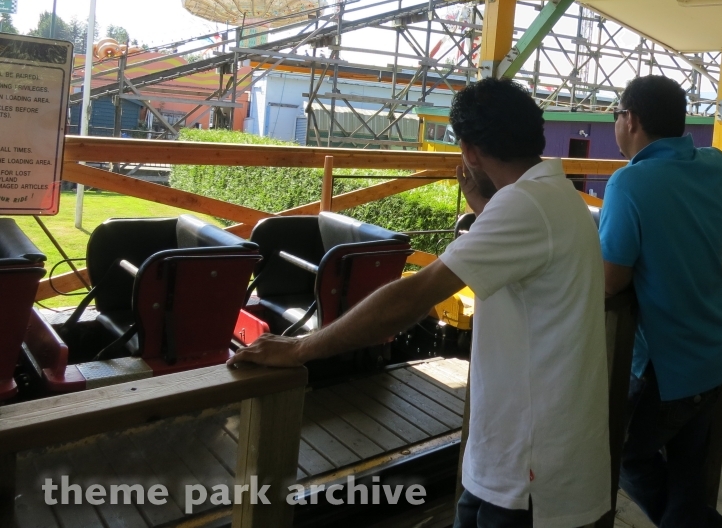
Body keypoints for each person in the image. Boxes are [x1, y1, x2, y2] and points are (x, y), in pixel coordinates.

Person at [230, 78, 611, 528]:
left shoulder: (525, 206)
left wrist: (298, 348)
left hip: (529, 475)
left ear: (469, 151)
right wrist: (484, 209)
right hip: (527, 457)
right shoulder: (556, 195)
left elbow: (413, 295)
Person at [599, 75, 722, 528]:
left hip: (669, 364)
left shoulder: (628, 183)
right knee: (687, 471)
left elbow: (611, 281)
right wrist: (716, 233)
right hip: (717, 349)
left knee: (627, 457)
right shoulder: (713, 163)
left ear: (631, 119)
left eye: (616, 114)